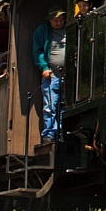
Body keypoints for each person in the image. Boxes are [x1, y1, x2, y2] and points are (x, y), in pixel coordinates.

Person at [32, 7, 66, 144]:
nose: (59, 23)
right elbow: (37, 51)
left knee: (64, 105)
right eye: (56, 21)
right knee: (50, 105)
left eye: (61, 20)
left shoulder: (68, 30)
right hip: (51, 74)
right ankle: (49, 134)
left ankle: (62, 132)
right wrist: (44, 67)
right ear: (50, 20)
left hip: (67, 74)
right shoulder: (42, 31)